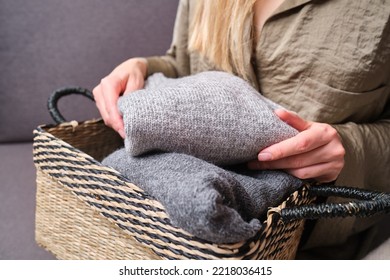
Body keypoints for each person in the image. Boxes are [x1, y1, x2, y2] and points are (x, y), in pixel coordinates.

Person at [93, 0, 390, 259]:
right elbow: (184, 64)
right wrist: (144, 67)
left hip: (325, 248)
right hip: (171, 242)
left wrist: (352, 149)